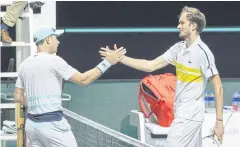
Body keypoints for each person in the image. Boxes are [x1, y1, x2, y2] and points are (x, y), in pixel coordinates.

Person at [99, 6, 224, 147]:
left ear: (193, 25)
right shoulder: (178, 49)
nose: (178, 26)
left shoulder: (203, 52)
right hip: (183, 115)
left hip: (189, 117)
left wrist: (219, 122)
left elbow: (218, 86)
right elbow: (150, 65)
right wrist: (120, 58)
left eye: (182, 23)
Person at [14, 27, 126, 147]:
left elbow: (18, 97)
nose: (58, 42)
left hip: (32, 126)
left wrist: (38, 106)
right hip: (53, 125)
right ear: (47, 40)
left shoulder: (24, 65)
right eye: (55, 38)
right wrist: (108, 62)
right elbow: (83, 80)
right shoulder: (54, 61)